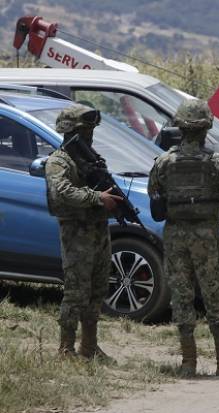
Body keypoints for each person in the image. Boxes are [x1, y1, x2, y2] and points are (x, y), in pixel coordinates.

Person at [148, 99, 219, 377]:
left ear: (179, 128)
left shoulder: (164, 163)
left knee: (181, 296)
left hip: (176, 236)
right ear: (206, 129)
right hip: (208, 236)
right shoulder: (218, 163)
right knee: (215, 296)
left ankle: (188, 362)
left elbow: (155, 200)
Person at [45, 104, 122, 360]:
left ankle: (89, 347)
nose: (90, 134)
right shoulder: (58, 161)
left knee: (97, 290)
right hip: (76, 233)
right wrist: (97, 197)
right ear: (71, 131)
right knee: (76, 292)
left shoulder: (90, 158)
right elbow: (62, 192)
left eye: (91, 130)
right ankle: (65, 349)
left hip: (98, 231)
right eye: (85, 129)